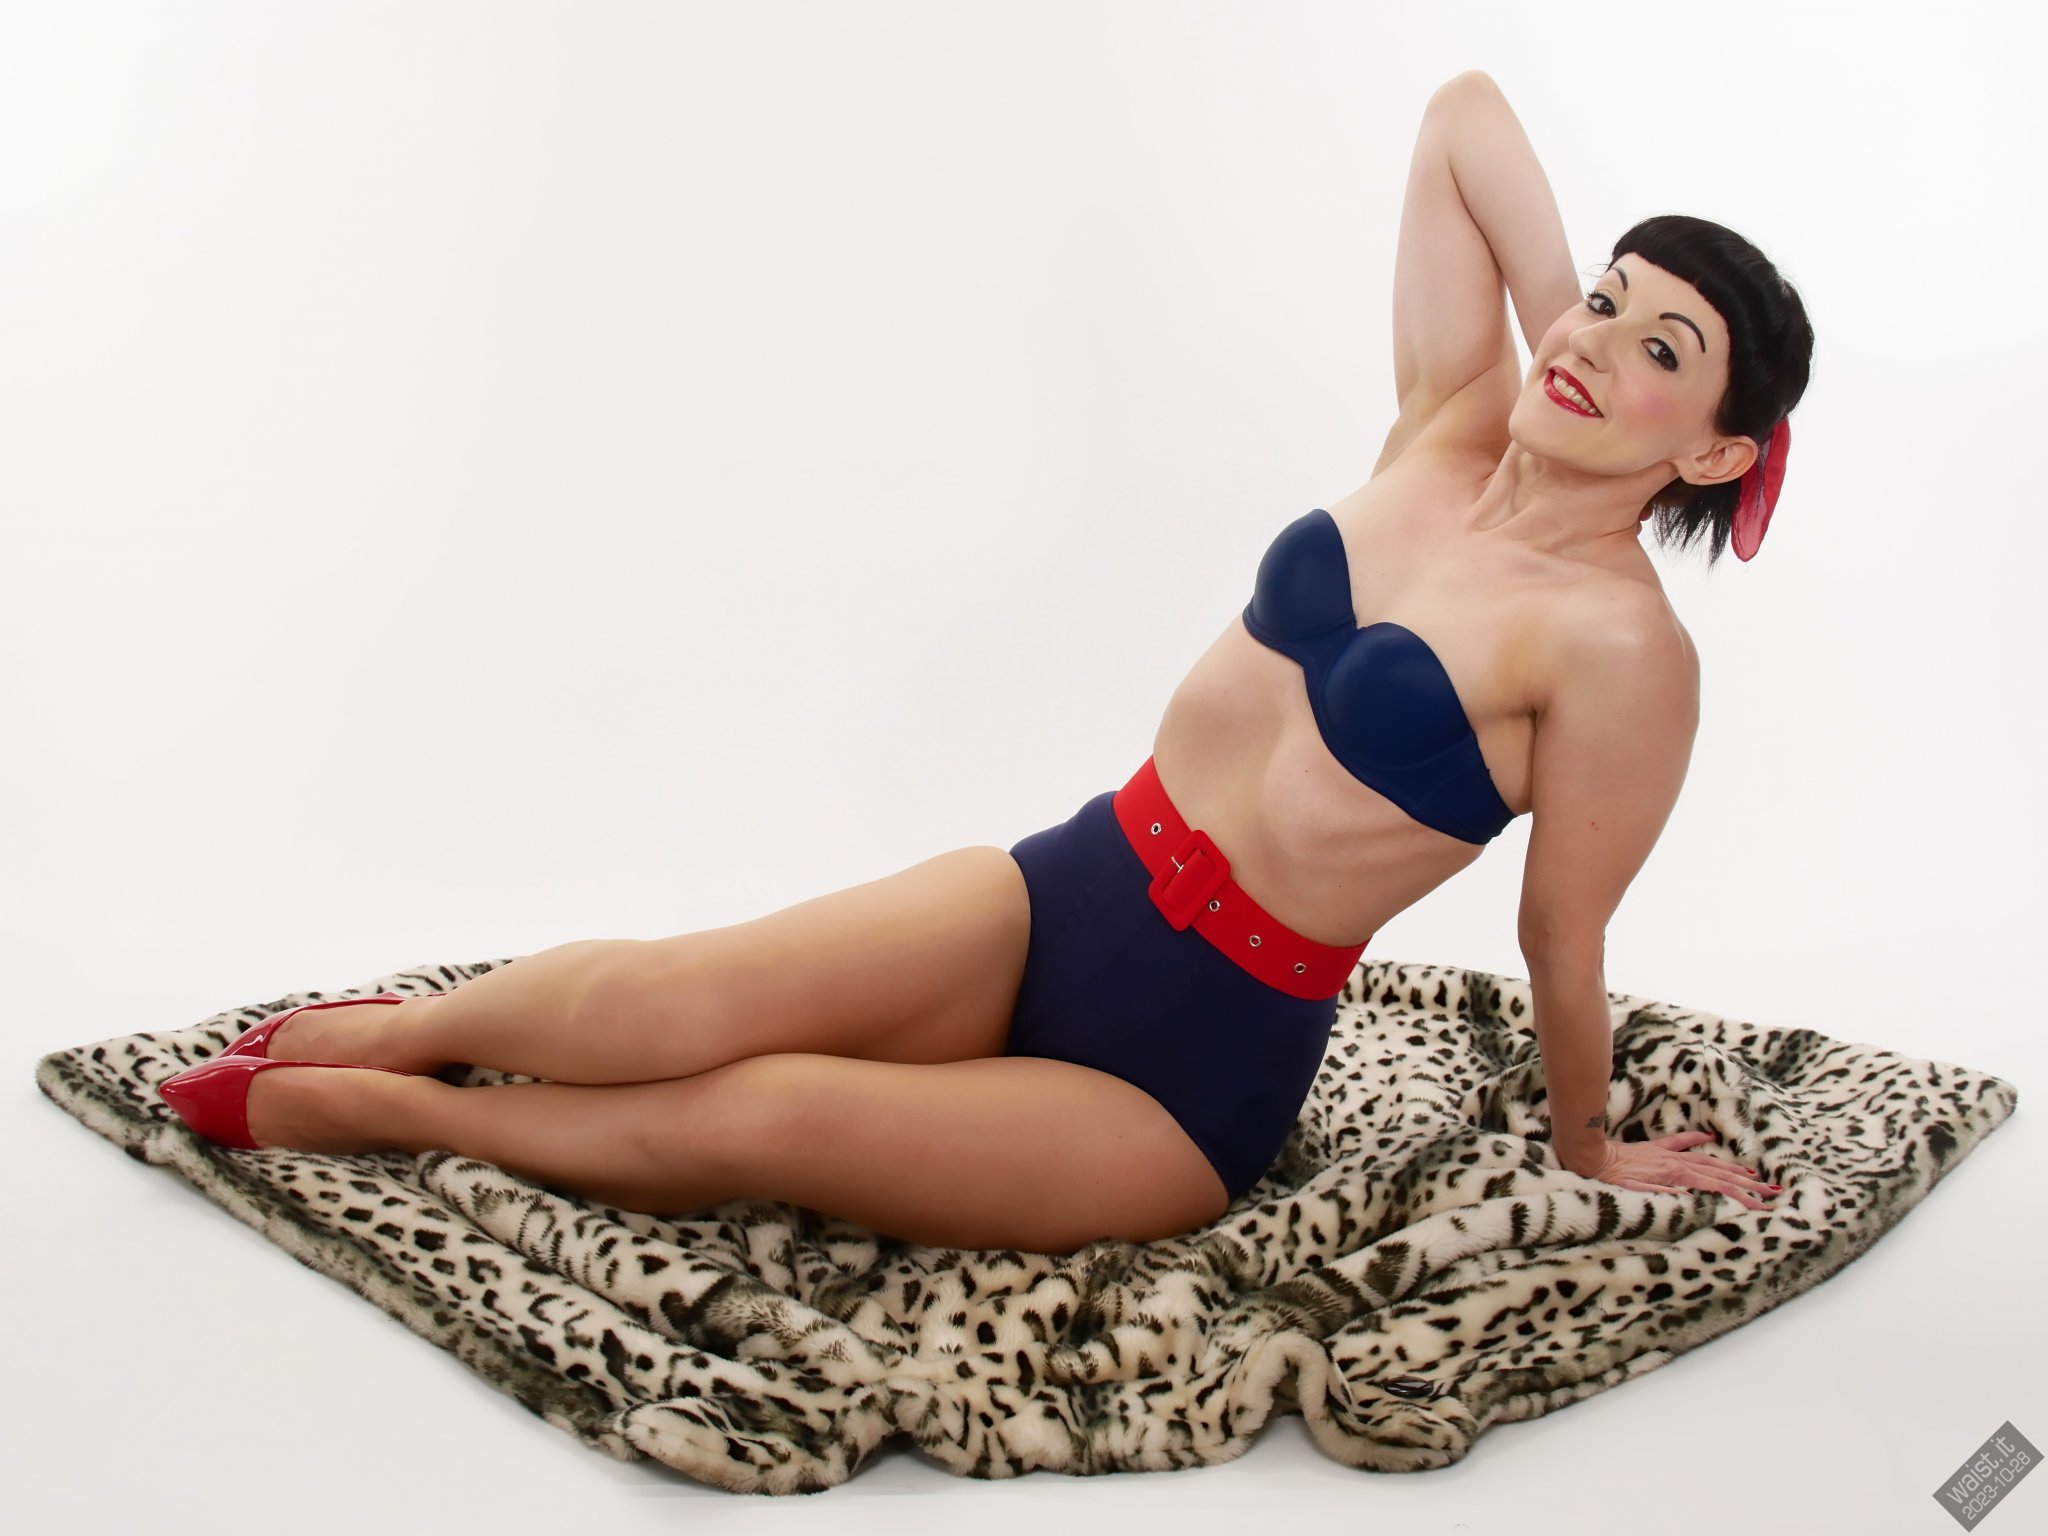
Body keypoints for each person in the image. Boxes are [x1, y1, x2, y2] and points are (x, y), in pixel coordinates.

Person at [158, 69, 1809, 1256]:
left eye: (1661, 351)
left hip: (1189, 1073)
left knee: (759, 1115)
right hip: (1066, 890)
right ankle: (404, 1032)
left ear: (1720, 454)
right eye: (1602, 303)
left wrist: (1586, 1140)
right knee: (665, 998)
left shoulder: (1623, 653)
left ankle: (403, 1113)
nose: (1593, 341)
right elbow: (1463, 116)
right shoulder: (1450, 426)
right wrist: (1580, 344)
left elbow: (1562, 930)